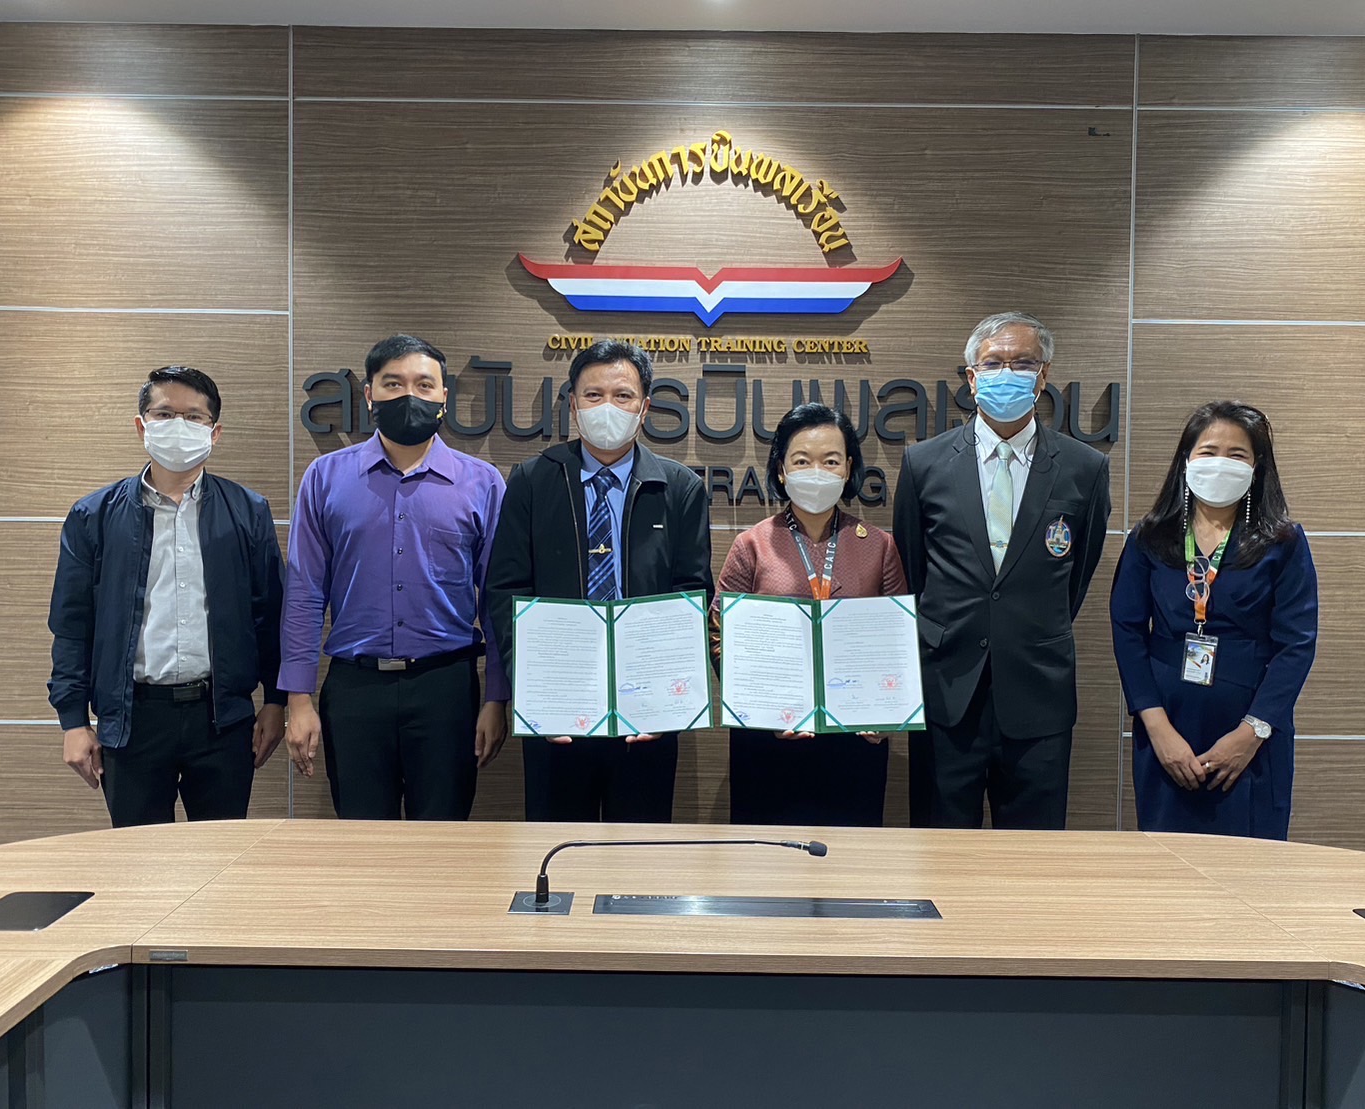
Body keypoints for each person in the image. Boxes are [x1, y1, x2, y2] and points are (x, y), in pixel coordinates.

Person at [893, 311, 1111, 830]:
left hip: (1038, 693)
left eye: (1023, 363)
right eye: (993, 363)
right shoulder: (924, 463)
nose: (1006, 373)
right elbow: (912, 571)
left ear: (1044, 375)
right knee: (941, 851)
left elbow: (1077, 575)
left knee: (1033, 858)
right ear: (972, 378)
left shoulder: (1084, 468)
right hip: (947, 691)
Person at [486, 339, 712, 822]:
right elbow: (506, 590)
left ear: (645, 408)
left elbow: (691, 593)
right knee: (556, 847)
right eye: (594, 395)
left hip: (647, 716)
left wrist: (667, 700)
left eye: (622, 395)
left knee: (641, 851)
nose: (607, 406)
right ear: (573, 404)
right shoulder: (532, 481)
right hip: (556, 710)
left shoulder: (680, 489)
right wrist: (533, 690)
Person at [282, 334, 507, 820]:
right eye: (393, 383)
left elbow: (496, 601)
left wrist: (496, 698)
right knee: (364, 846)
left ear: (443, 396)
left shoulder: (483, 483)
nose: (410, 395)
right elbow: (303, 594)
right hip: (354, 690)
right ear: (369, 394)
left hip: (447, 691)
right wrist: (297, 700)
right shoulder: (325, 477)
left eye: (424, 384)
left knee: (444, 840)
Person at [48, 366, 285, 827]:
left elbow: (269, 614)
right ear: (142, 426)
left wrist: (275, 701)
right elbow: (72, 625)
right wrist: (73, 722)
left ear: (214, 433)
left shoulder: (248, 511)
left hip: (221, 719)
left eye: (194, 417)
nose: (179, 426)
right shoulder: (93, 516)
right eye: (164, 414)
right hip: (132, 720)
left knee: (220, 855)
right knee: (139, 858)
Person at [1110, 401, 1317, 839]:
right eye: (1208, 451)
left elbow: (1296, 645)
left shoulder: (1282, 541)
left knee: (1249, 863)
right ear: (1186, 460)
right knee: (1169, 863)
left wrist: (1251, 733)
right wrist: (1157, 729)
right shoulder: (1150, 537)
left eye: (1237, 454)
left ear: (1256, 467)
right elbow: (1127, 631)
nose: (1221, 463)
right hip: (1167, 730)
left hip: (1252, 735)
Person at [713, 404, 907, 827]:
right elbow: (719, 636)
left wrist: (886, 713)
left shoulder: (878, 546)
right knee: (764, 857)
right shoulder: (752, 545)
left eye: (831, 461)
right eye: (802, 461)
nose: (816, 471)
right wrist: (761, 708)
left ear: (848, 468)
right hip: (767, 740)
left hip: (855, 740)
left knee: (851, 856)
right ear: (781, 470)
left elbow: (899, 643)